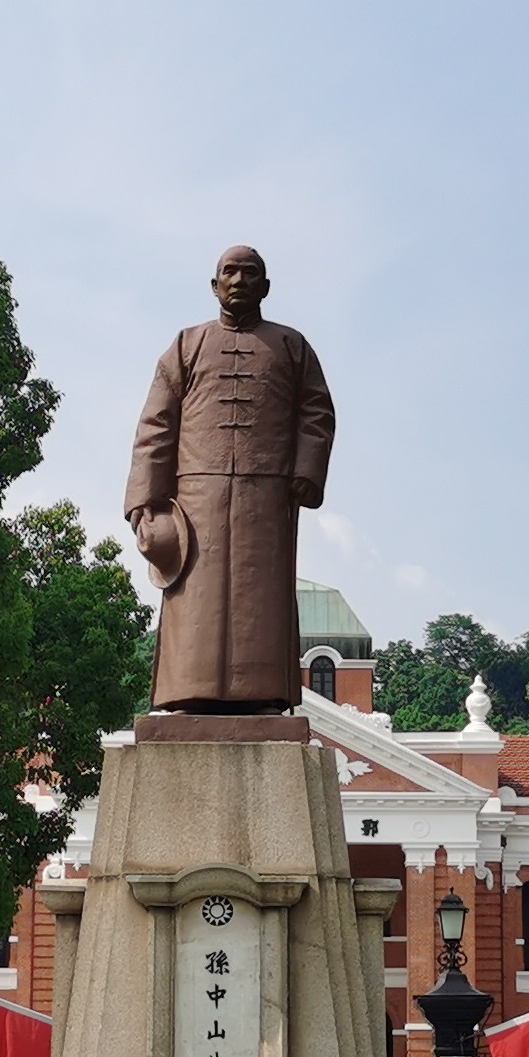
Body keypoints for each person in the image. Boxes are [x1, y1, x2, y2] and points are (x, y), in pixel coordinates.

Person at [123, 246, 336, 712]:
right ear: (214, 284)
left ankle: (263, 696)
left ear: (265, 287)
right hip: (195, 499)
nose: (239, 280)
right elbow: (156, 425)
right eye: (229, 272)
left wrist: (305, 470)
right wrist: (145, 501)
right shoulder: (187, 345)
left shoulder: (291, 346)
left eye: (250, 273)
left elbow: (317, 412)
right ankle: (188, 693)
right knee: (196, 602)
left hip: (268, 495)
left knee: (262, 600)